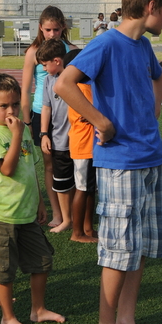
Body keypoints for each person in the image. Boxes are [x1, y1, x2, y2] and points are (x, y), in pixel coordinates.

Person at [56, 0, 162, 324]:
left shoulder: (142, 47)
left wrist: (155, 108)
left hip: (151, 157)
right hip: (120, 162)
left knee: (139, 246)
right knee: (117, 250)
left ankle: (126, 321)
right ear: (151, 6)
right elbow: (64, 84)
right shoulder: (106, 42)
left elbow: (158, 78)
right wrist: (100, 121)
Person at [0, 74, 66, 324]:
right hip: (2, 215)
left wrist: (40, 202)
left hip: (27, 212)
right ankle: (8, 318)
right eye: (3, 106)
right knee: (4, 270)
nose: (11, 111)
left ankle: (37, 310)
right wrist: (16, 134)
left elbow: (30, 169)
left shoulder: (24, 129)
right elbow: (7, 168)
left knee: (42, 261)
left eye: (15, 105)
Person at [20, 6, 75, 227]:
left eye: (56, 30)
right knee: (49, 164)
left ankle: (72, 211)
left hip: (68, 114)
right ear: (40, 28)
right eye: (48, 30)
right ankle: (59, 214)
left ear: (63, 28)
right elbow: (24, 89)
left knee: (71, 162)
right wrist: (27, 121)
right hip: (40, 113)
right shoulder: (33, 52)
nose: (52, 34)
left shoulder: (71, 50)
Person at [38, 38, 74, 233]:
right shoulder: (48, 80)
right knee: (61, 182)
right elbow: (46, 107)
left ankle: (77, 215)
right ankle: (66, 218)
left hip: (79, 141)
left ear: (57, 61)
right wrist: (44, 134)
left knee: (80, 181)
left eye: (45, 65)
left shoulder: (75, 77)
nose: (44, 69)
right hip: (59, 141)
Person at [64, 49, 98, 244]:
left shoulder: (84, 86)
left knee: (89, 189)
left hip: (88, 145)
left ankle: (87, 228)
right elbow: (95, 111)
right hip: (83, 145)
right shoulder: (81, 88)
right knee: (82, 188)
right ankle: (77, 232)